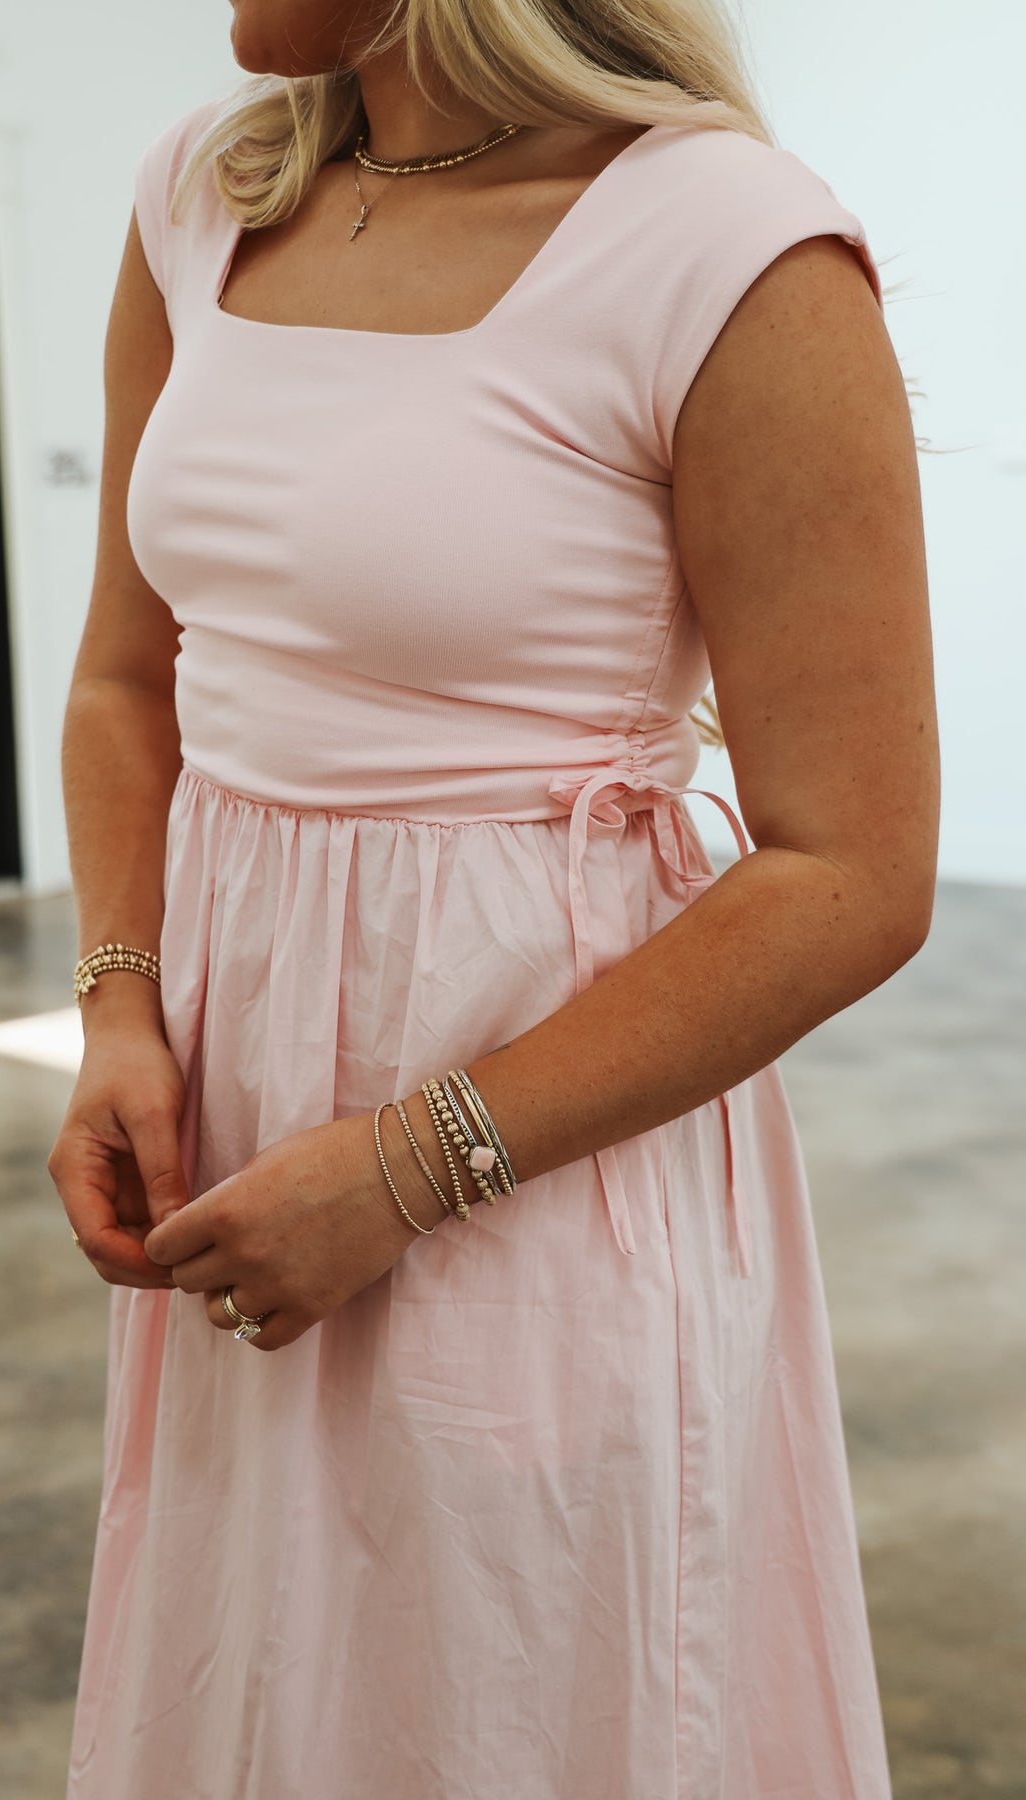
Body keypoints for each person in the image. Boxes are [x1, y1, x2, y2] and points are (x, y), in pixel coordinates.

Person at [47, 0, 938, 1792]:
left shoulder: (728, 244)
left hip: (531, 1138)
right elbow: (130, 679)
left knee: (514, 1690)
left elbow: (854, 869)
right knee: (264, 1682)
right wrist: (122, 1008)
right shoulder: (202, 197)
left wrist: (402, 1169)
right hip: (239, 1121)